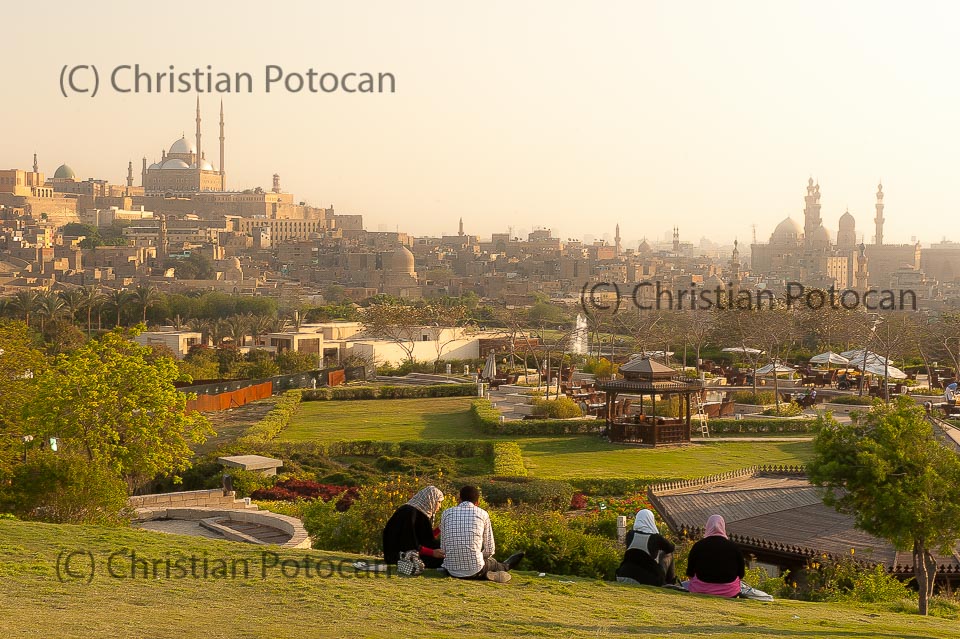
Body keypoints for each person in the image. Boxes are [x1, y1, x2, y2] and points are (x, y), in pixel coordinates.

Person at [440, 485, 524, 583]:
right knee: (492, 562)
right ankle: (504, 567)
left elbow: (443, 548)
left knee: (482, 562)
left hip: (451, 571)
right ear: (477, 502)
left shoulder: (446, 513)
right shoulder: (482, 514)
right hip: (476, 569)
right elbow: (490, 550)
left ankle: (485, 574)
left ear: (459, 500)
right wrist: (479, 556)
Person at [382, 486, 445, 569]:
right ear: (431, 500)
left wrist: (440, 528)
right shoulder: (409, 513)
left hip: (408, 552)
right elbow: (408, 543)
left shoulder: (418, 512)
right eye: (439, 502)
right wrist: (432, 553)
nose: (440, 506)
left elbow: (424, 538)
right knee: (443, 558)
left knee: (443, 547)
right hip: (399, 556)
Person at [685, 514, 745, 597]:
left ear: (708, 526)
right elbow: (741, 574)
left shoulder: (698, 546)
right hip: (729, 592)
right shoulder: (734, 547)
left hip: (701, 590)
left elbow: (690, 573)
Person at [615, 509, 676, 587]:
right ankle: (670, 582)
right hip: (647, 579)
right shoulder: (656, 538)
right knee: (668, 554)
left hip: (623, 575)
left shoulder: (630, 534)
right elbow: (670, 548)